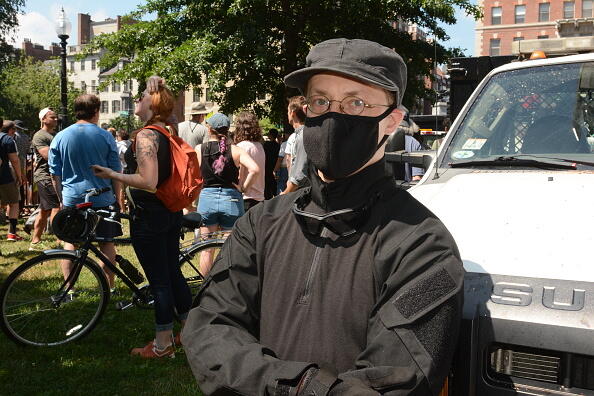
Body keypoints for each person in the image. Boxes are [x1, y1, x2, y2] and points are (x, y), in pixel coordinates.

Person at [183, 38, 464, 395]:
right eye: (320, 101)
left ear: (392, 120)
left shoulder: (422, 244)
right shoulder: (260, 224)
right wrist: (293, 386)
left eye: (356, 102)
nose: (333, 115)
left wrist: (289, 386)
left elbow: (394, 379)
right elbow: (209, 327)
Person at [92, 80, 193, 359]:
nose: (138, 98)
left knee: (159, 281)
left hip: (150, 216)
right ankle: (188, 333)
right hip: (168, 212)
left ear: (154, 104)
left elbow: (147, 181)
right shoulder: (165, 130)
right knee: (172, 274)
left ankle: (162, 345)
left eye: (143, 95)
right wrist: (156, 83)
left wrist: (112, 175)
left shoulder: (147, 136)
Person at [49, 94, 123, 291]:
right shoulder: (105, 136)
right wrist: (119, 200)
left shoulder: (60, 136)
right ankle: (108, 288)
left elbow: (54, 174)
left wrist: (61, 199)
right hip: (103, 196)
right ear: (96, 111)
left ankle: (69, 288)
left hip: (72, 197)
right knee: (106, 243)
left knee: (70, 243)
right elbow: (116, 173)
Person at [195, 112, 259, 276]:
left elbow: (194, 175)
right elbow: (255, 169)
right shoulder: (236, 150)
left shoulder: (199, 149)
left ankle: (205, 287)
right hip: (231, 199)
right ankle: (226, 286)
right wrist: (243, 187)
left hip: (207, 198)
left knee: (206, 249)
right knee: (230, 248)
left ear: (209, 129)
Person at [30, 108, 61, 251]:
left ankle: (35, 241)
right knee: (56, 207)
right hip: (45, 176)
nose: (55, 119)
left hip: (51, 175)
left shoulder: (53, 135)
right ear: (43, 119)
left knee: (44, 210)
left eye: (56, 118)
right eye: (52, 117)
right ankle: (60, 239)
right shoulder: (40, 136)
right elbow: (48, 156)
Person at [234, 111, 266, 211]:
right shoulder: (259, 146)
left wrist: (243, 188)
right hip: (259, 197)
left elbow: (241, 174)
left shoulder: (241, 147)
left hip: (246, 199)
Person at [0, 120, 25, 241]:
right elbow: (15, 160)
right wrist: (19, 177)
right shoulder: (8, 140)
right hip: (5, 177)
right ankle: (11, 233)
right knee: (14, 203)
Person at [281, 95, 309, 194]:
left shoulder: (303, 136)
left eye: (288, 111)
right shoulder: (300, 134)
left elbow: (299, 176)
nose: (287, 114)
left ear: (292, 113)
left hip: (302, 194)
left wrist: (285, 194)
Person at [13, 120, 31, 214]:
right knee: (21, 185)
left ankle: (14, 208)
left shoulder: (13, 136)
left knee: (14, 185)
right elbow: (28, 150)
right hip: (23, 162)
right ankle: (21, 207)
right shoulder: (26, 137)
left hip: (13, 162)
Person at [263, 128, 280, 199]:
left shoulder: (266, 144)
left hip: (266, 166)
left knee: (267, 186)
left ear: (270, 135)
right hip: (274, 166)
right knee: (274, 185)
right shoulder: (278, 146)